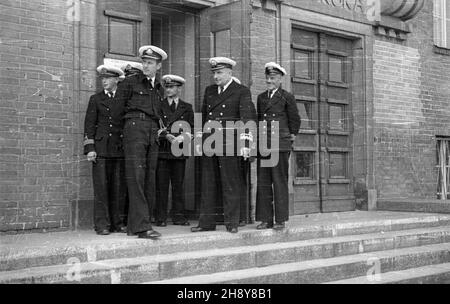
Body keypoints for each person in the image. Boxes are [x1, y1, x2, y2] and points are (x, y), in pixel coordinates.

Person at [191, 57, 256, 234]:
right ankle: (206, 223)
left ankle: (232, 222)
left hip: (230, 141)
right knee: (208, 183)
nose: (216, 77)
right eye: (214, 73)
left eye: (219, 73)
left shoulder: (241, 91)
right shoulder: (210, 91)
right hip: (210, 140)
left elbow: (246, 118)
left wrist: (245, 143)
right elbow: (204, 116)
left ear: (229, 72)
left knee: (230, 183)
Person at [119, 45, 167, 239]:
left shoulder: (158, 88)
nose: (146, 66)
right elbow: (116, 111)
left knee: (148, 178)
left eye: (150, 63)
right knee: (136, 177)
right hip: (135, 128)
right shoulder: (130, 82)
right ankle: (142, 227)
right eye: (144, 62)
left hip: (152, 132)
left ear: (159, 66)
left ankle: (136, 225)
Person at [256, 62, 301, 230]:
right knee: (264, 181)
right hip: (264, 144)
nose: (269, 81)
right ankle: (265, 219)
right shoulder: (261, 97)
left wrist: (290, 137)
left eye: (273, 78)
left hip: (280, 144)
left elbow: (295, 119)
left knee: (279, 181)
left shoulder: (286, 96)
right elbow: (259, 119)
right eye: (267, 78)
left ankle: (280, 220)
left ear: (280, 79)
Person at [83, 64, 127, 235]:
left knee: (118, 188)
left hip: (119, 149)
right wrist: (90, 148)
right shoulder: (96, 99)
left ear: (117, 80)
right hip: (100, 150)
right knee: (101, 188)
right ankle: (102, 224)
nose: (104, 81)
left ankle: (117, 223)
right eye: (103, 78)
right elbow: (89, 125)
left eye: (108, 78)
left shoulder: (123, 99)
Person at [155, 75, 194, 227]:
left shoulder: (187, 107)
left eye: (172, 87)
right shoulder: (158, 105)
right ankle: (160, 217)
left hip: (179, 149)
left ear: (179, 88)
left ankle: (179, 216)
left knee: (178, 185)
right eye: (167, 87)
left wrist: (181, 138)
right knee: (161, 185)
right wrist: (166, 135)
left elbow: (191, 128)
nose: (169, 90)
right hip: (163, 150)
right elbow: (155, 126)